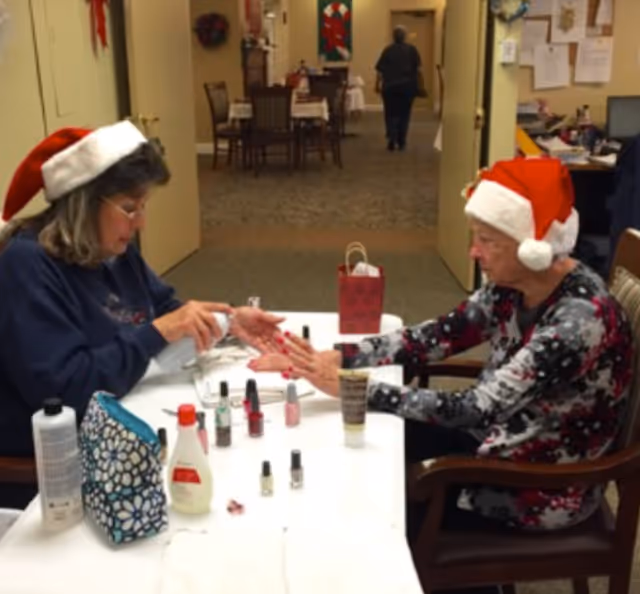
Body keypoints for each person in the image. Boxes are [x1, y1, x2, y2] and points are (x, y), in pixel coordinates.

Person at [250, 157, 633, 537]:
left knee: (376, 511)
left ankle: (463, 578)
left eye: (487, 240)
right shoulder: (515, 285)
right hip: (502, 438)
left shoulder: (578, 322)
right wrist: (340, 356)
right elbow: (437, 336)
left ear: (532, 247)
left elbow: (473, 409)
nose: (473, 251)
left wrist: (352, 385)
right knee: (360, 443)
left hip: (540, 484)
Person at [0, 121, 283, 507]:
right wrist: (156, 332)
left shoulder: (113, 249)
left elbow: (166, 310)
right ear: (83, 203)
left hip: (125, 413)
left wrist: (228, 320)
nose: (141, 223)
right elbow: (65, 392)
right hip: (56, 469)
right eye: (130, 208)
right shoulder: (28, 265)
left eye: (143, 207)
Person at [375, 25, 421, 152]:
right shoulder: (412, 50)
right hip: (407, 86)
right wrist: (418, 86)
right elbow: (418, 69)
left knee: (390, 113)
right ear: (404, 36)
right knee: (404, 114)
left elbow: (380, 70)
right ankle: (402, 140)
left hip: (390, 87)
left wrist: (377, 85)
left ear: (393, 37)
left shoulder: (388, 50)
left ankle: (392, 137)